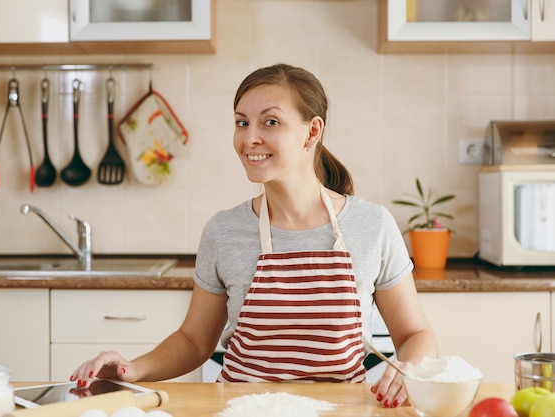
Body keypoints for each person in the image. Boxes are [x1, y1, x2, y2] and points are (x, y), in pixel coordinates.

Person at [70, 63, 438, 408]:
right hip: (243, 409)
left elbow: (415, 334)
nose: (250, 138)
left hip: (340, 410)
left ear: (312, 131)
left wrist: (409, 368)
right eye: (242, 123)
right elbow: (194, 340)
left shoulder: (372, 225)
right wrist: (131, 369)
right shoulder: (224, 230)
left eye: (270, 122)